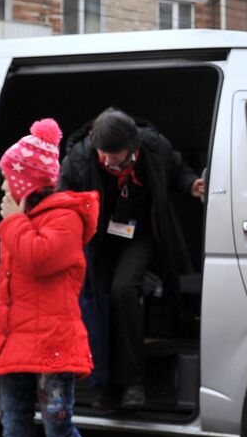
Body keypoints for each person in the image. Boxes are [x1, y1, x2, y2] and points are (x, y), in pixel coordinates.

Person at [0, 119, 105, 437]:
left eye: (8, 182)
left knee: (56, 424)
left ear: (25, 183)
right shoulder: (21, 222)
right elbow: (6, 290)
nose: (3, 190)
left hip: (52, 342)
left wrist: (12, 222)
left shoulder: (65, 217)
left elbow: (39, 258)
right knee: (13, 428)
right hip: (15, 341)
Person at [58, 108, 205, 409]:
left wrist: (191, 184)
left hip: (138, 233)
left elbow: (177, 168)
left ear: (133, 147)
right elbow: (61, 200)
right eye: (103, 153)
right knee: (98, 300)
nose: (108, 160)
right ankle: (104, 384)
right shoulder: (79, 159)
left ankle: (133, 383)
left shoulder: (153, 146)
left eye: (115, 154)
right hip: (97, 237)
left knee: (123, 291)